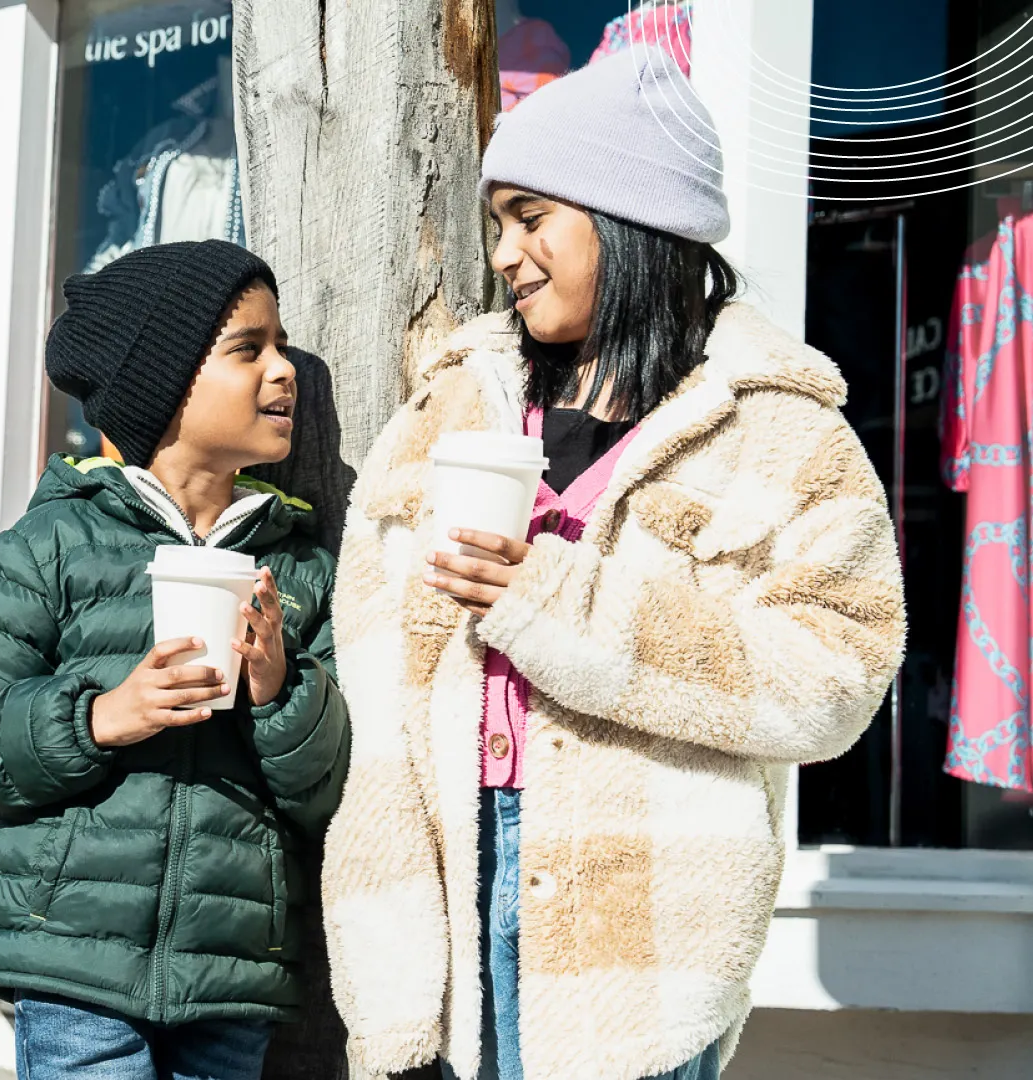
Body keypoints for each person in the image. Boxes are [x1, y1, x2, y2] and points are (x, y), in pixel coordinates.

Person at [321, 52, 905, 1080]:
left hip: (645, 920)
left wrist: (559, 602)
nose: (504, 252)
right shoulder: (449, 410)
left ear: (630, 222)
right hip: (449, 889)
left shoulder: (775, 429)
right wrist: (388, 983)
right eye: (496, 221)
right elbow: (378, 699)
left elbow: (834, 681)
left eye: (531, 216)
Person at [0, 240, 351, 1080]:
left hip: (234, 973)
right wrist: (96, 718)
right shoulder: (52, 546)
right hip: (73, 966)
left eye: (282, 345)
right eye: (247, 349)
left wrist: (278, 689)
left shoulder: (297, 568)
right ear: (163, 383)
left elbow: (329, 785)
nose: (284, 369)